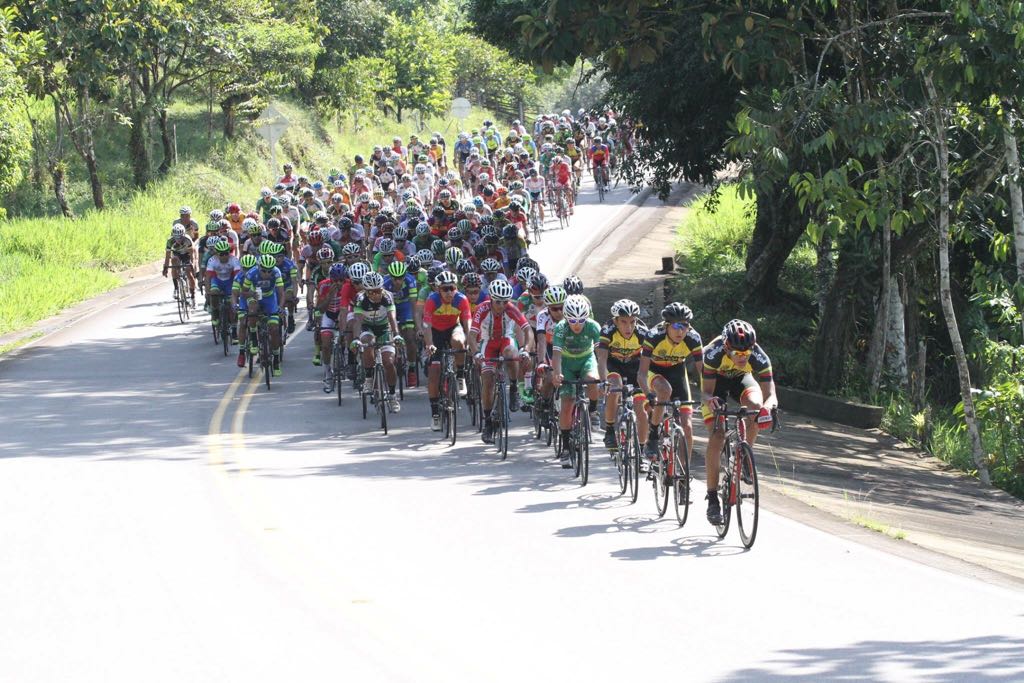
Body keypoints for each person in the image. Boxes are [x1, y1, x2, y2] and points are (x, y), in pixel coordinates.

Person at [700, 319, 777, 525]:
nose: (743, 357)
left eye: (746, 353)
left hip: (742, 380)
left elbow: (771, 395)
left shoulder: (759, 356)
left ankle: (744, 456)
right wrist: (711, 401)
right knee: (717, 435)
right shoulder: (712, 353)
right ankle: (713, 498)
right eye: (737, 354)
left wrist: (767, 409)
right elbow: (705, 393)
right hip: (716, 384)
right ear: (726, 348)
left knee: (756, 406)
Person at [469, 279, 532, 443]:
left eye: (505, 302)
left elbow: (527, 331)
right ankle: (488, 422)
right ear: (491, 298)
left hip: (505, 340)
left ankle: (513, 389)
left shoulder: (511, 308)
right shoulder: (482, 308)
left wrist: (526, 348)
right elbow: (471, 335)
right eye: (498, 302)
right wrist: (475, 353)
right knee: (488, 380)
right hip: (487, 343)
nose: (502, 305)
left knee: (512, 353)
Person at [639, 302, 703, 463]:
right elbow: (641, 373)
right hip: (654, 370)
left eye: (684, 326)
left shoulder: (693, 338)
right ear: (666, 325)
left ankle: (683, 475)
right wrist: (648, 394)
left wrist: (709, 395)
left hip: (677, 371)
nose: (680, 331)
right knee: (664, 390)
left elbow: (704, 373)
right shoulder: (654, 336)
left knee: (687, 427)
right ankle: (652, 437)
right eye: (675, 326)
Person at [422, 270, 473, 431]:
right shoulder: (432, 301)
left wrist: (470, 343)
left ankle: (460, 376)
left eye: (452, 288)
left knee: (459, 341)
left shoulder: (461, 299)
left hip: (453, 328)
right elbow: (426, 326)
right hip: (435, 333)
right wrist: (429, 344)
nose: (450, 292)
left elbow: (467, 323)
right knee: (434, 371)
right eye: (445, 289)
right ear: (438, 290)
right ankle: (435, 413)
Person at [596, 299, 649, 452]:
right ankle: (610, 430)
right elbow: (602, 359)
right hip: (614, 365)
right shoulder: (607, 330)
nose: (629, 327)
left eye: (632, 322)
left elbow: (649, 363)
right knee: (614, 386)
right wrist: (603, 380)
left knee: (641, 408)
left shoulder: (642, 333)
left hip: (634, 367)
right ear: (615, 320)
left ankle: (641, 449)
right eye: (624, 322)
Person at [351, 271, 404, 413]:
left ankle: (392, 395)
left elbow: (392, 318)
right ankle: (368, 378)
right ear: (366, 291)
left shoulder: (387, 296)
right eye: (371, 292)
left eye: (378, 290)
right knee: (368, 342)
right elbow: (357, 320)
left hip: (384, 328)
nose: (375, 294)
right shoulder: (360, 298)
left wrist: (397, 335)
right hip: (367, 327)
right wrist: (356, 338)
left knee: (389, 362)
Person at [237, 254, 285, 376]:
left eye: (269, 271)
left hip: (269, 297)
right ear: (259, 267)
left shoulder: (276, 272)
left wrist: (280, 307)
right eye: (263, 270)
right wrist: (251, 294)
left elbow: (281, 292)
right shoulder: (251, 273)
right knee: (252, 310)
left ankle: (275, 359)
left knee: (274, 329)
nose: (266, 274)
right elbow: (243, 292)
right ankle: (253, 338)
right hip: (256, 295)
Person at [383, 260, 420, 388]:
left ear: (405, 276)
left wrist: (417, 325)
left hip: (405, 306)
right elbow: (385, 309)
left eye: (400, 278)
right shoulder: (385, 284)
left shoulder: (410, 281)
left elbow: (414, 306)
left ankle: (411, 369)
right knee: (393, 334)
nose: (398, 281)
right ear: (390, 276)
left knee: (410, 337)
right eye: (395, 278)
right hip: (391, 307)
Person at [204, 240, 241, 342]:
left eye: (226, 253)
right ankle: (215, 315)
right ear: (217, 253)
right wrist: (208, 292)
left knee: (232, 305)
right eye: (221, 254)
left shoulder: (234, 260)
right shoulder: (212, 260)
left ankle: (234, 331)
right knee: (214, 293)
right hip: (217, 280)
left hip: (230, 281)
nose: (224, 256)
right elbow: (207, 278)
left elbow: (238, 277)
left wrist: (237, 293)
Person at [163, 224, 196, 304]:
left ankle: (193, 296)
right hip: (177, 254)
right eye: (176, 237)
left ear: (183, 235)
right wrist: (165, 268)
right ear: (173, 235)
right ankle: (176, 288)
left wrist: (193, 266)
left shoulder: (187, 240)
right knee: (173, 261)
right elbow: (167, 257)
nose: (178, 239)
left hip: (186, 254)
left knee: (189, 273)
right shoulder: (170, 241)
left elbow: (192, 256)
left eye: (180, 237)